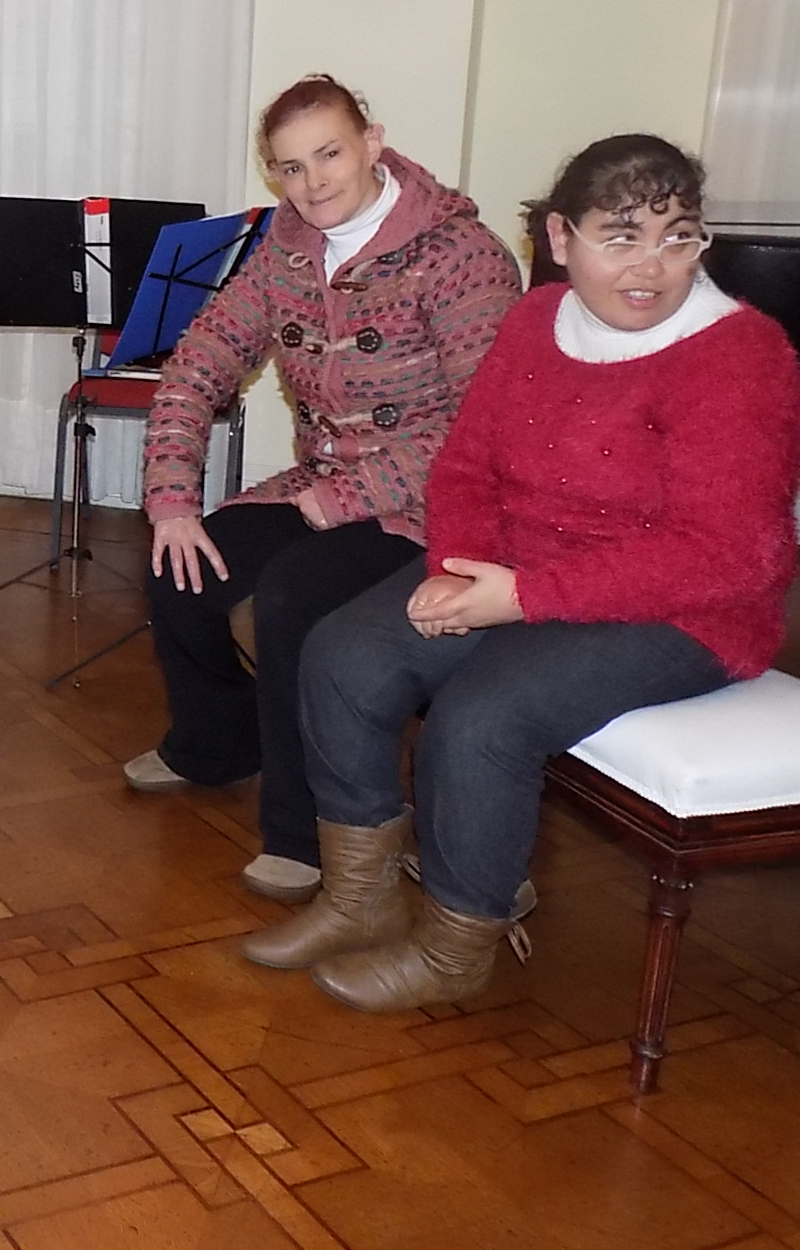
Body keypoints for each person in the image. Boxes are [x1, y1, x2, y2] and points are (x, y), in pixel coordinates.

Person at [247, 135, 800, 1009]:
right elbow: (467, 468)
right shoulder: (533, 321)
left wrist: (522, 597)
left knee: (481, 718)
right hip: (521, 572)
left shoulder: (741, 355)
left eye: (679, 236)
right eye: (622, 237)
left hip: (684, 611)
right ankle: (358, 899)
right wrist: (454, 570)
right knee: (343, 655)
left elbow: (730, 557)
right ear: (560, 237)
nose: (652, 267)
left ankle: (455, 946)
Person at [128, 76, 521, 904]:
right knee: (179, 567)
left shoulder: (462, 253)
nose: (313, 182)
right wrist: (171, 499)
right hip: (321, 482)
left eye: (330, 154)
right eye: (289, 167)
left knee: (292, 597)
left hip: (431, 503)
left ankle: (302, 831)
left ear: (373, 142)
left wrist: (348, 496)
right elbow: (202, 359)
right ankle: (214, 744)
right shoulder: (287, 247)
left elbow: (485, 424)